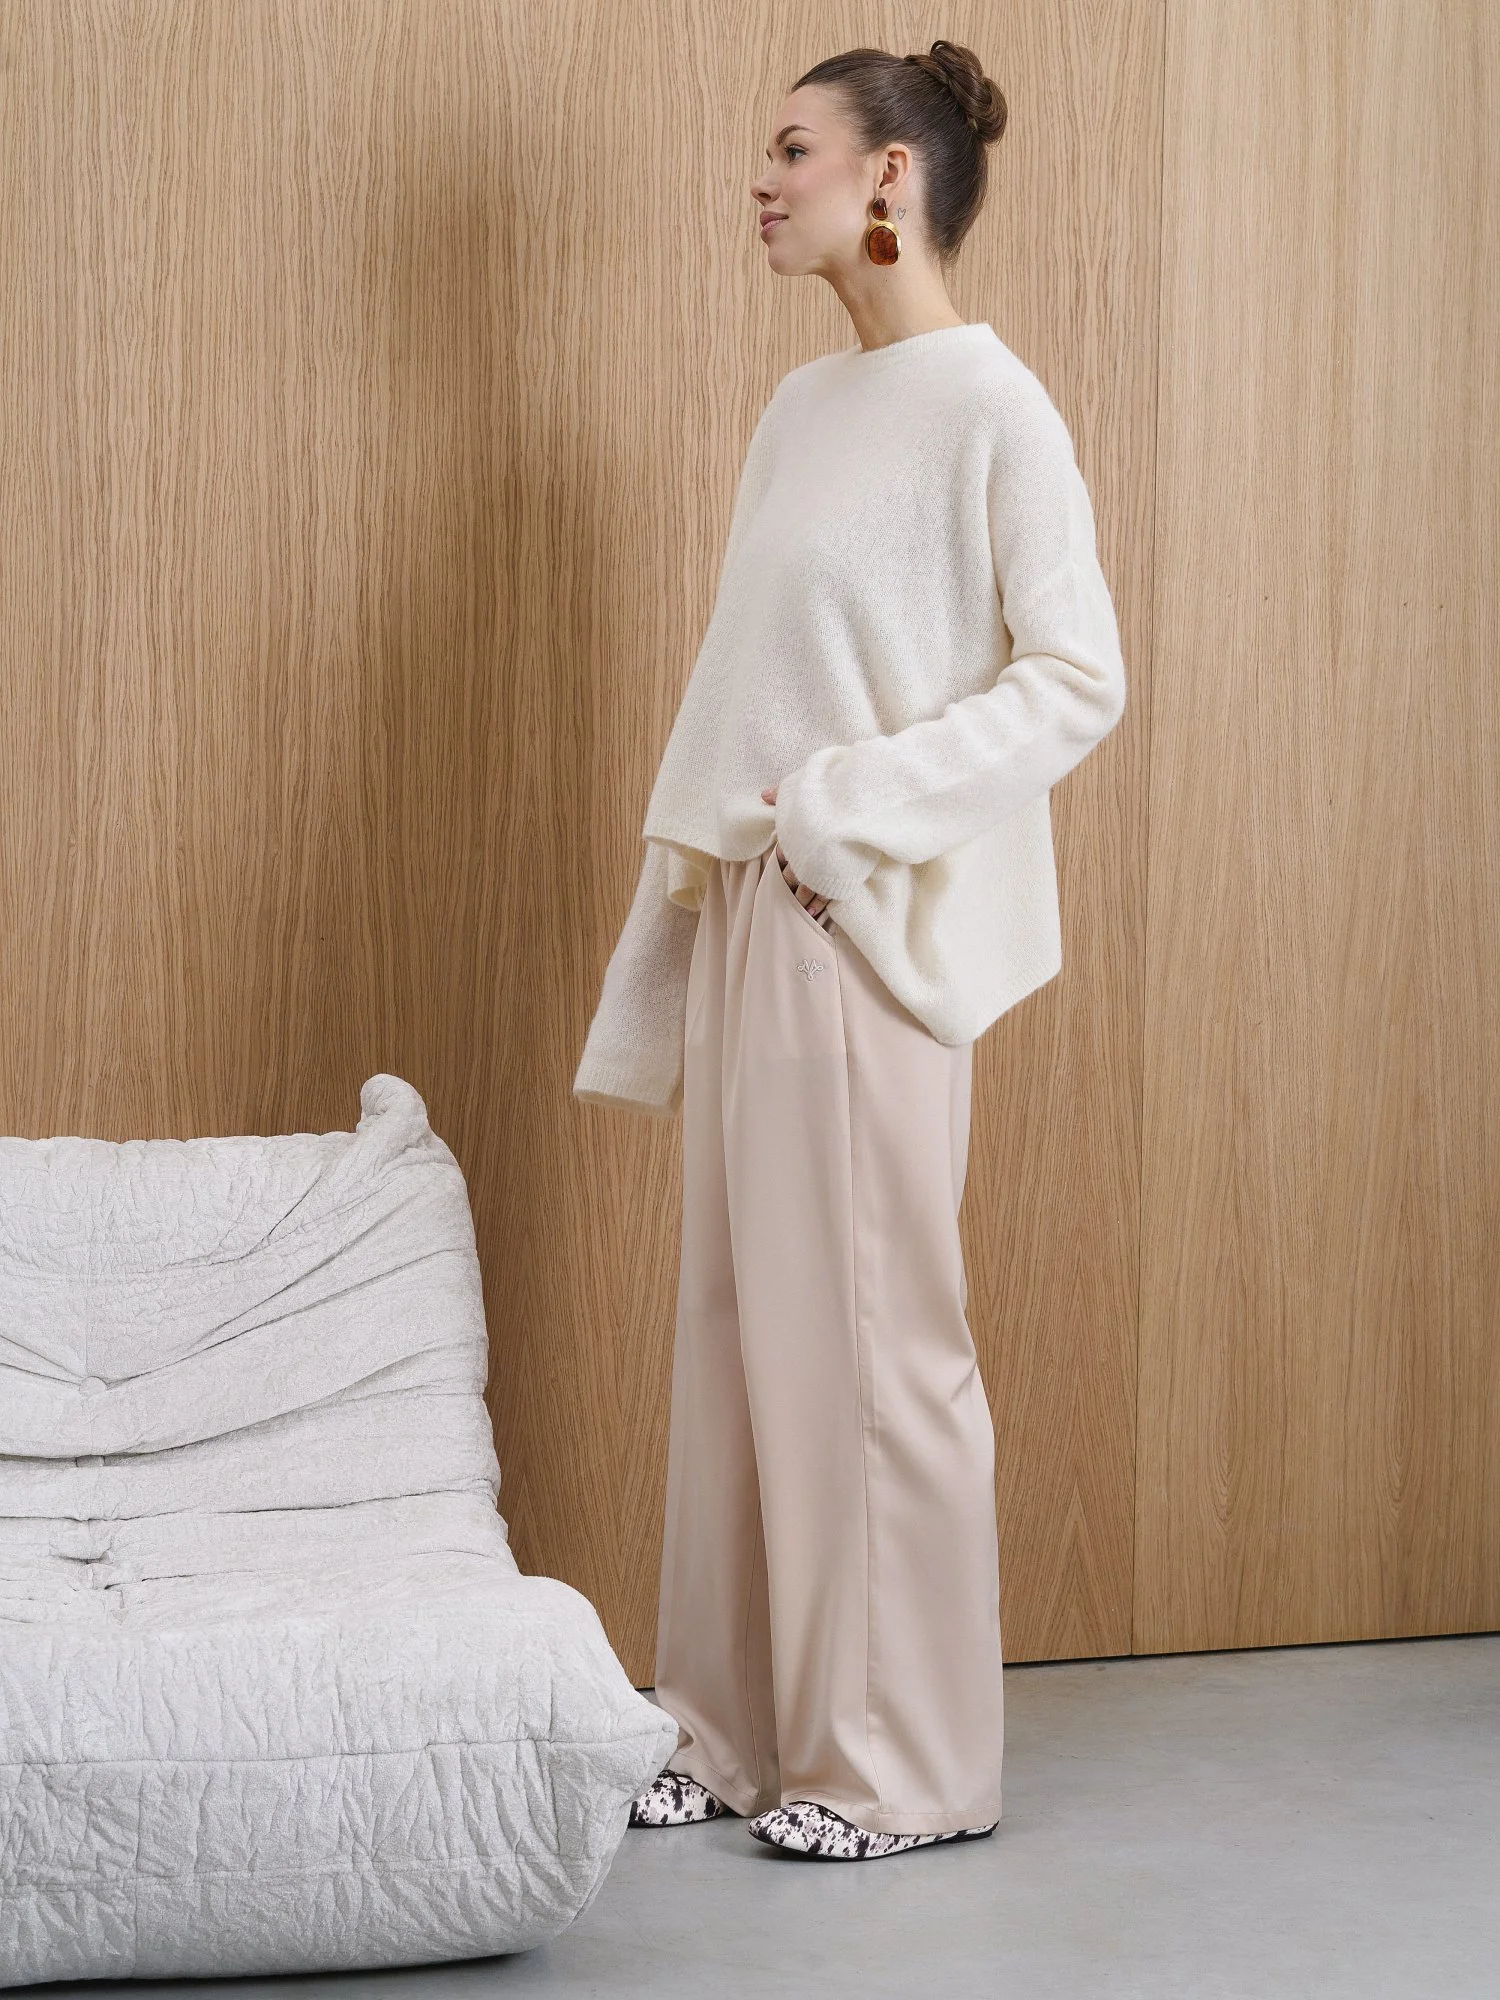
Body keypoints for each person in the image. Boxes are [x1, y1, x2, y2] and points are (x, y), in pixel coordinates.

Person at [573, 40, 1126, 1862]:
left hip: (859, 915)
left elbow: (1079, 679)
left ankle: (903, 1771)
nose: (762, 178)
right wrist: (736, 862)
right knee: (740, 1334)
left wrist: (844, 812)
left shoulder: (995, 408)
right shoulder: (802, 410)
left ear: (891, 176)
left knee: (878, 1343)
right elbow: (749, 683)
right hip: (753, 905)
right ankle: (727, 1730)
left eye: (793, 147)